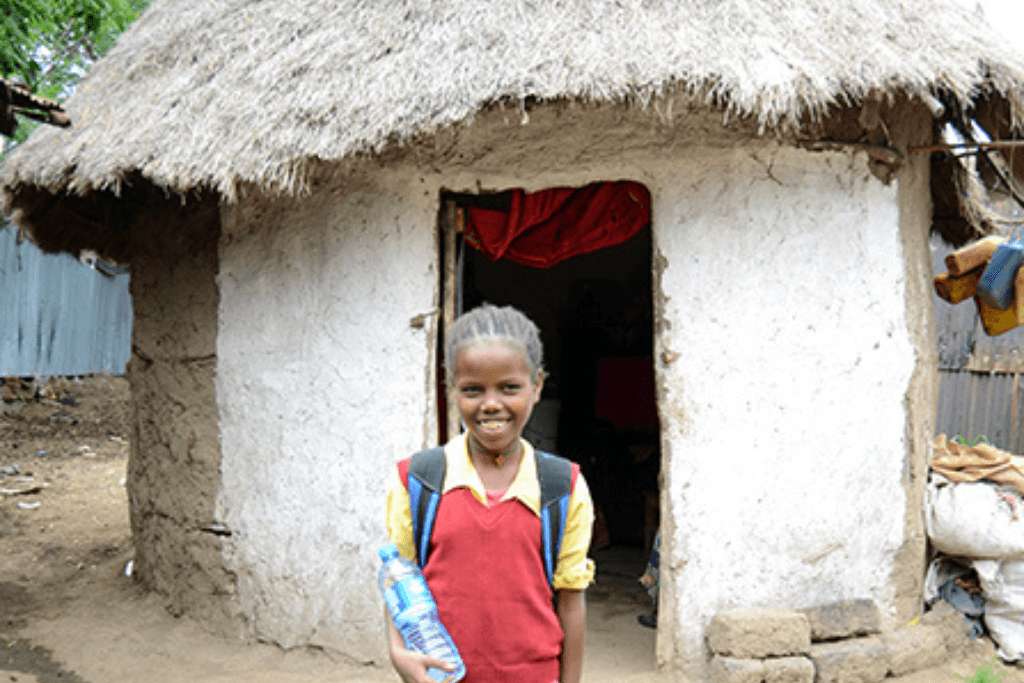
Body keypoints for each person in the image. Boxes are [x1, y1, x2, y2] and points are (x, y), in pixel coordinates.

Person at [385, 303, 596, 683]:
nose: (491, 404)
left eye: (509, 387)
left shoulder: (561, 486)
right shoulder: (419, 480)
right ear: (452, 391)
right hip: (444, 677)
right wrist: (399, 652)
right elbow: (400, 580)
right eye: (472, 390)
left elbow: (571, 600)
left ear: (537, 386)